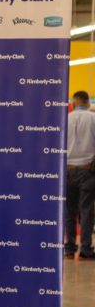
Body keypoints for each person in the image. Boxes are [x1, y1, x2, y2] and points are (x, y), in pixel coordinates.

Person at [65, 91, 95, 260]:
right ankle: (85, 250)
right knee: (86, 211)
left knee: (70, 212)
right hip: (88, 171)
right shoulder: (93, 118)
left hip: (67, 171)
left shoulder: (65, 119)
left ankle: (69, 249)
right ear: (88, 103)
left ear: (74, 103)